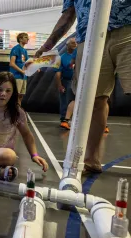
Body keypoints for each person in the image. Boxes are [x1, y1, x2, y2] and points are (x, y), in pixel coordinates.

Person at [35, 0, 130, 173]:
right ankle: (92, 160)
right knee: (94, 100)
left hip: (127, 27)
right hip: (89, 36)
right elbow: (69, 14)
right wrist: (47, 46)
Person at [54, 37, 77, 130]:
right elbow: (58, 73)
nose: (75, 44)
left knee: (75, 101)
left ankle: (74, 120)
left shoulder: (79, 56)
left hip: (77, 81)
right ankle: (64, 120)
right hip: (66, 81)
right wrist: (60, 85)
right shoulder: (60, 58)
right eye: (72, 43)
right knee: (65, 100)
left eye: (76, 43)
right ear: (67, 45)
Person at [9, 32, 29, 106]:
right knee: (15, 95)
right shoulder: (16, 48)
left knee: (21, 96)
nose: (28, 39)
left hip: (24, 77)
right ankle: (12, 112)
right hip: (16, 76)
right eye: (26, 37)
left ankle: (18, 111)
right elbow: (12, 63)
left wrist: (36, 68)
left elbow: (27, 63)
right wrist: (21, 71)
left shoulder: (25, 51)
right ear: (20, 39)